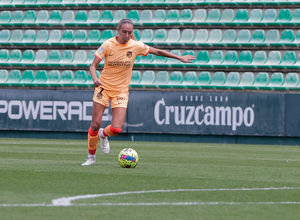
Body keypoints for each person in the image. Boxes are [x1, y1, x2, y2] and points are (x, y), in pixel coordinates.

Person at [82, 18, 195, 165]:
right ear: (118, 30)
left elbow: (158, 51)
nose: (127, 35)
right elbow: (92, 65)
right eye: (124, 32)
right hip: (103, 88)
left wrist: (179, 57)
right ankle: (91, 158)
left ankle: (103, 135)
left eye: (130, 32)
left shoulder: (135, 46)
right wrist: (95, 78)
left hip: (121, 91)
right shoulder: (108, 45)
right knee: (95, 125)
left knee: (116, 128)